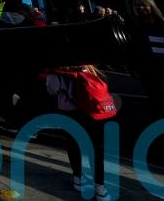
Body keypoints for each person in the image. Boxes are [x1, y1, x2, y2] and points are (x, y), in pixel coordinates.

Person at [46, 65, 115, 201]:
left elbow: (52, 90)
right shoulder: (88, 68)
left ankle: (78, 179)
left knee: (73, 145)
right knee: (95, 150)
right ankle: (100, 189)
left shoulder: (57, 71)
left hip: (69, 113)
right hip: (91, 113)